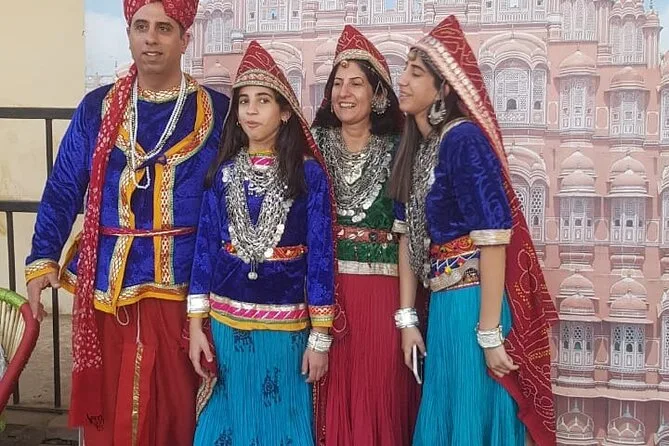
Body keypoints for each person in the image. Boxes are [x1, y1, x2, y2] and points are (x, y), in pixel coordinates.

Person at [24, 1, 230, 444]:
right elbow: (63, 186)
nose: (151, 39)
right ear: (129, 34)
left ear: (185, 39)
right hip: (108, 288)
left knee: (180, 410)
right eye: (141, 27)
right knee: (112, 407)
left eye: (164, 28)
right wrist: (43, 257)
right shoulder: (97, 108)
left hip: (186, 290)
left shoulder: (218, 111)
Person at [388, 16, 558, 446]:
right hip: (444, 306)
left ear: (443, 89)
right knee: (447, 415)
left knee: (470, 416)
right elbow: (407, 237)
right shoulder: (418, 147)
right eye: (405, 69)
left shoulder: (462, 139)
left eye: (416, 73)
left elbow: (494, 239)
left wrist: (489, 333)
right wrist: (407, 319)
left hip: (473, 304)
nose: (402, 80)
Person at [187, 40, 336, 446]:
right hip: (226, 322)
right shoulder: (223, 173)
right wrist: (196, 327)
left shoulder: (307, 175)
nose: (250, 110)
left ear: (285, 112)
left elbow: (321, 258)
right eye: (244, 101)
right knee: (228, 422)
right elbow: (205, 252)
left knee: (280, 423)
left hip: (286, 326)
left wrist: (320, 337)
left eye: (263, 101)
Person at [311, 24, 418, 446]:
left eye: (356, 83)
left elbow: (408, 236)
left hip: (382, 295)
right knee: (327, 399)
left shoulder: (399, 147)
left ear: (378, 94)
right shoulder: (311, 145)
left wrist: (406, 316)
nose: (344, 92)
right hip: (325, 293)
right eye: (337, 83)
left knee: (378, 399)